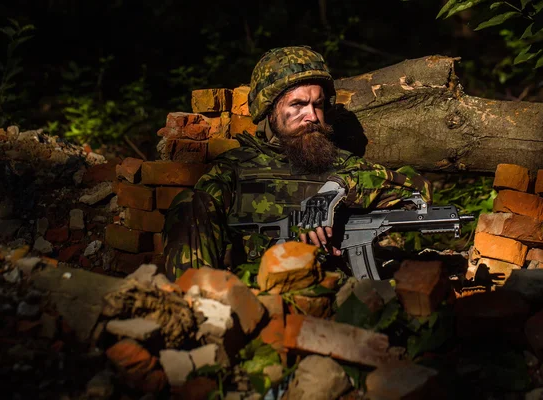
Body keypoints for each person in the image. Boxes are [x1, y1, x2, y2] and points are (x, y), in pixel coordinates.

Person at [162, 46, 432, 279]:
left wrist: (337, 190)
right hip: (248, 297)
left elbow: (418, 191)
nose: (312, 116)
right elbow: (195, 217)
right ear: (269, 112)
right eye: (298, 105)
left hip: (331, 298)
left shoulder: (343, 166)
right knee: (188, 203)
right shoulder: (234, 170)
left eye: (318, 105)